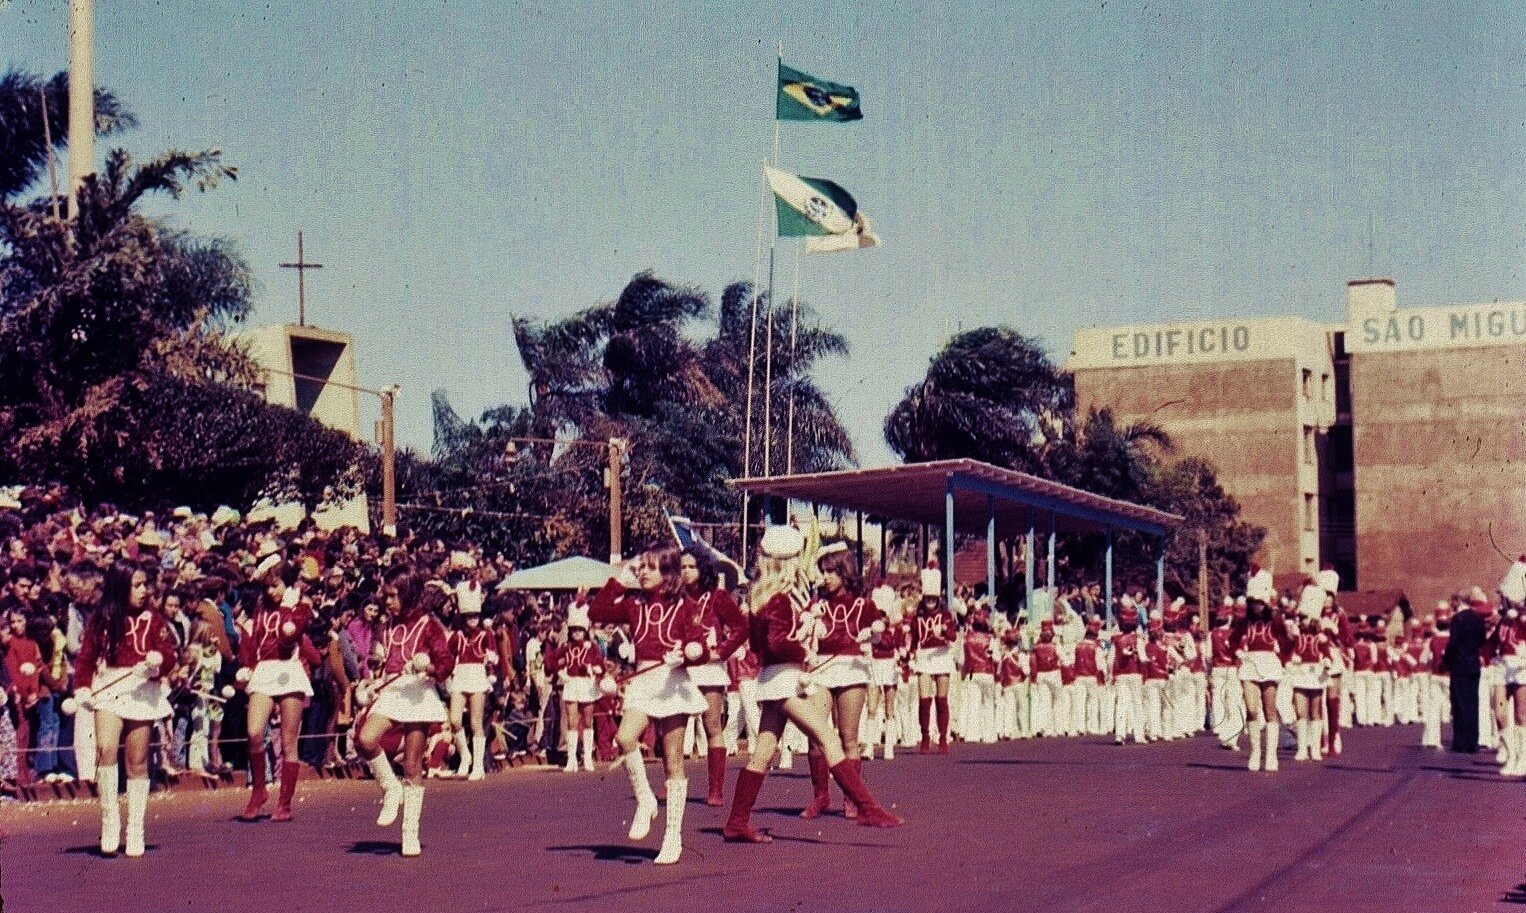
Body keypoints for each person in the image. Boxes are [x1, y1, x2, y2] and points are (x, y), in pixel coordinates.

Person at [721, 526, 902, 844]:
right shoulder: (778, 598)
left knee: (762, 752)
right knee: (828, 737)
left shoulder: (761, 596)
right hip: (784, 681)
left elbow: (761, 644)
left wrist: (802, 631)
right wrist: (803, 648)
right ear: (787, 563)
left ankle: (737, 822)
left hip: (773, 679)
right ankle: (867, 807)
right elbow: (777, 644)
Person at [584, 549, 709, 865]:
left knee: (672, 761)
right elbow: (596, 611)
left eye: (650, 568)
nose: (643, 573)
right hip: (643, 680)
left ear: (669, 574)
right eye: (641, 568)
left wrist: (686, 655)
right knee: (625, 738)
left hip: (672, 682)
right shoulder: (633, 605)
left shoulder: (686, 606)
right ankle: (646, 799)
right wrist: (619, 581)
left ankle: (672, 836)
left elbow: (700, 648)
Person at [73, 561, 177, 857]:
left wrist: (158, 663)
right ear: (121, 586)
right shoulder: (101, 619)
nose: (144, 591)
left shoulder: (155, 619)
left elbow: (170, 655)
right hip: (109, 687)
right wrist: (82, 687)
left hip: (142, 691)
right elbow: (85, 658)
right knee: (105, 748)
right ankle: (109, 821)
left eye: (146, 584)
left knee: (137, 760)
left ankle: (135, 828)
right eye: (137, 585)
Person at [354, 568, 455, 857]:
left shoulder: (429, 625)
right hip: (392, 691)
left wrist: (427, 667)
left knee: (412, 765)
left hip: (418, 693)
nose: (388, 602)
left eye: (394, 596)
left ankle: (410, 833)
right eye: (386, 596)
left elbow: (446, 664)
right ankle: (390, 787)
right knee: (365, 739)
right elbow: (380, 659)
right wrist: (370, 680)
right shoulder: (385, 625)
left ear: (409, 595)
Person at [798, 545, 882, 819]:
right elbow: (801, 633)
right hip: (821, 669)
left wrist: (874, 633)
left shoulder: (864, 604)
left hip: (852, 669)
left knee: (849, 737)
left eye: (832, 571)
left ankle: (851, 796)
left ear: (845, 572)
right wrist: (809, 620)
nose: (826, 577)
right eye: (823, 571)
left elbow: (885, 637)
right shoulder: (816, 604)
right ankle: (821, 796)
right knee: (816, 734)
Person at [235, 559, 314, 822]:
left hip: (289, 671)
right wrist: (247, 667)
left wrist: (288, 607)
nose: (271, 592)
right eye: (267, 587)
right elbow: (254, 642)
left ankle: (285, 803)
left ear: (288, 585)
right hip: (264, 671)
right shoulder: (260, 608)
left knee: (289, 742)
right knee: (254, 731)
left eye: (276, 586)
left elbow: (287, 637)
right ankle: (259, 790)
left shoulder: (300, 608)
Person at [676, 548, 748, 806]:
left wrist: (722, 652)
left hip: (709, 668)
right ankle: (674, 783)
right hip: (682, 667)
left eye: (691, 567)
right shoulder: (676, 598)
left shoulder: (718, 597)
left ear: (703, 568)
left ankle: (715, 788)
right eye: (682, 567)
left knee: (712, 725)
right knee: (675, 728)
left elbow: (741, 628)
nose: (686, 572)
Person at [1233, 597, 1292, 772]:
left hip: (1269, 663)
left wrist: (1283, 658)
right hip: (1250, 663)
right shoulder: (1244, 621)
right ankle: (1255, 752)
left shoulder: (1274, 620)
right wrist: (1238, 652)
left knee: (1269, 710)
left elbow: (1287, 643)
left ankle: (1271, 755)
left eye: (1259, 603)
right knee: (1251, 709)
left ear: (1265, 603)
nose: (1256, 606)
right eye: (1253, 603)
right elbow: (1233, 641)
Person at [544, 604, 601, 773]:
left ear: (585, 631)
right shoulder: (566, 647)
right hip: (571, 684)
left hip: (586, 684)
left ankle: (588, 757)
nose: (577, 633)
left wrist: (592, 669)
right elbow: (550, 662)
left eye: (580, 630)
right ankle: (571, 759)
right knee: (571, 721)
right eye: (574, 630)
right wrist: (561, 673)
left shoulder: (592, 647)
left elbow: (600, 664)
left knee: (588, 721)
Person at [445, 594, 495, 780]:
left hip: (476, 675)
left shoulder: (485, 634)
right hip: (460, 675)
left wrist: (489, 660)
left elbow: (493, 656)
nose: (472, 619)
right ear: (462, 617)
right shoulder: (456, 636)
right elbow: (447, 656)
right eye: (468, 616)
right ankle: (465, 755)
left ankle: (478, 766)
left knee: (476, 722)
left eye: (475, 616)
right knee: (455, 719)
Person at [910, 569, 958, 753]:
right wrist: (909, 653)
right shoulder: (918, 618)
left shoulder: (946, 615)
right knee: (924, 698)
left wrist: (944, 631)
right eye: (927, 598)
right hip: (924, 657)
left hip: (942, 655)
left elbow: (953, 637)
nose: (930, 602)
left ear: (938, 599)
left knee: (941, 699)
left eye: (933, 599)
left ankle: (943, 737)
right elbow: (914, 641)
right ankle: (925, 736)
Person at [1442, 590, 1487, 753]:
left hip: (1460, 665)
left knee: (1460, 703)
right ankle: (1472, 741)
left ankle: (1461, 742)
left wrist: (1446, 660)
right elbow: (1483, 640)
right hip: (1474, 664)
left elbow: (1453, 643)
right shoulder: (1478, 619)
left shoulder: (1457, 619)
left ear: (1457, 601)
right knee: (1473, 702)